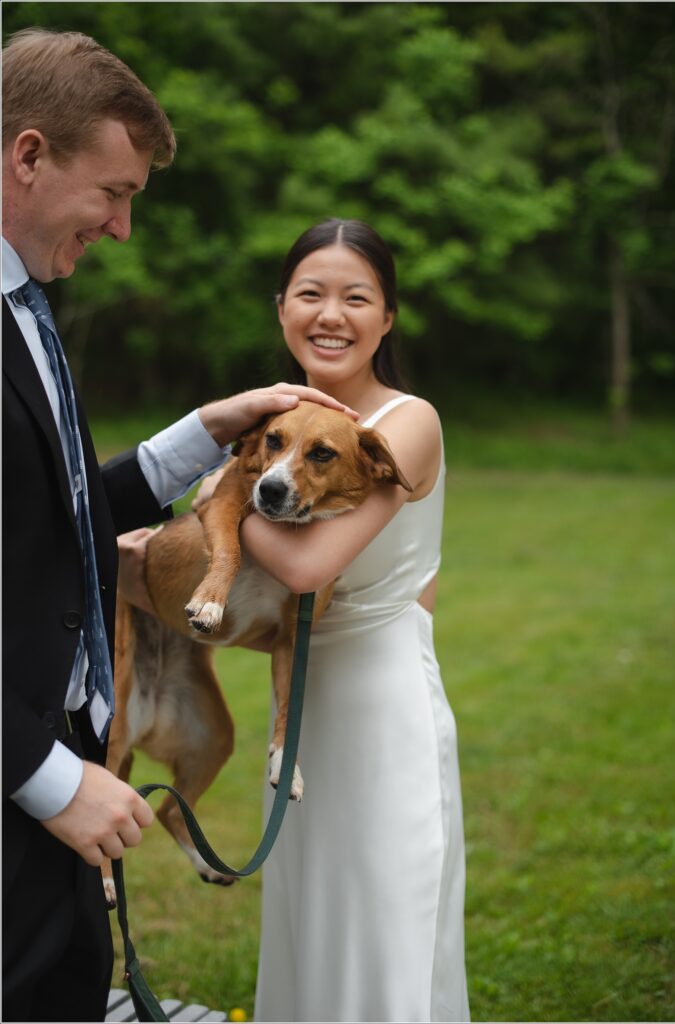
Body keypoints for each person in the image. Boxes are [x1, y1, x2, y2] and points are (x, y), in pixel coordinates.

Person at [1, 29, 354, 1023]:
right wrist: (45, 779)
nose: (120, 228)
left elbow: (45, 520)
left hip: (62, 753)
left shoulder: (27, 300)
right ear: (29, 155)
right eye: (112, 193)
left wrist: (200, 438)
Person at [239, 218, 470, 1022]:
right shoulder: (276, 428)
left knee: (384, 935)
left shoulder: (406, 423)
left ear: (387, 317)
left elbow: (305, 567)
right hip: (296, 715)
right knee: (309, 931)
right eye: (310, 293)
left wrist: (223, 496)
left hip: (381, 711)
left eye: (355, 297)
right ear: (281, 310)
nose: (329, 314)